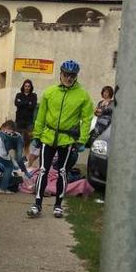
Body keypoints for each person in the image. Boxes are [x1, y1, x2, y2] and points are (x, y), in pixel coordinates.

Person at [27, 60, 94, 218]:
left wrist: (82, 141)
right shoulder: (50, 92)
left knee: (62, 172)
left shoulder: (83, 95)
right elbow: (41, 115)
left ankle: (58, 205)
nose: (69, 78)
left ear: (76, 76)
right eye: (66, 75)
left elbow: (87, 119)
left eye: (72, 75)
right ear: (60, 74)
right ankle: (37, 204)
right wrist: (37, 135)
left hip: (67, 139)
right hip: (48, 137)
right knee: (43, 170)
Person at [14, 79, 37, 154]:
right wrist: (28, 102)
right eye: (25, 86)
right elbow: (17, 103)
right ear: (23, 87)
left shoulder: (33, 96)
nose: (27, 87)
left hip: (29, 121)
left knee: (29, 139)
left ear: (31, 87)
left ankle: (27, 155)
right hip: (19, 120)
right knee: (18, 138)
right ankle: (18, 154)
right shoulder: (19, 95)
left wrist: (22, 103)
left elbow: (32, 106)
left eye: (28, 86)